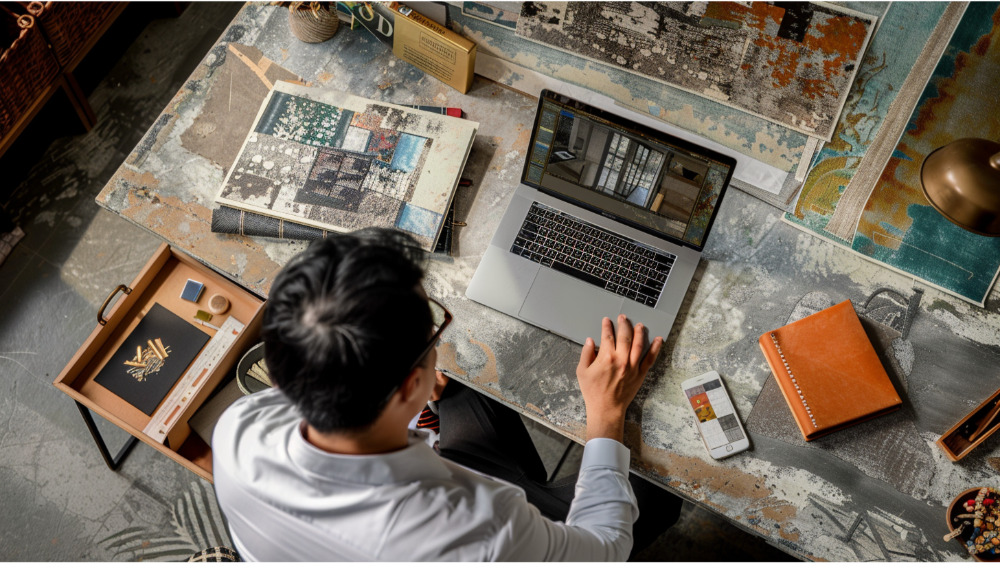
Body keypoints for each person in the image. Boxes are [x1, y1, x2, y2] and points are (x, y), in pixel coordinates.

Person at [213, 228, 683, 563]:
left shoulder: (240, 429)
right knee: (653, 494)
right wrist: (606, 412)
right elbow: (604, 548)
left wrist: (412, 408)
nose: (436, 340)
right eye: (432, 330)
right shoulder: (478, 531)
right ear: (407, 386)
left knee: (460, 394)